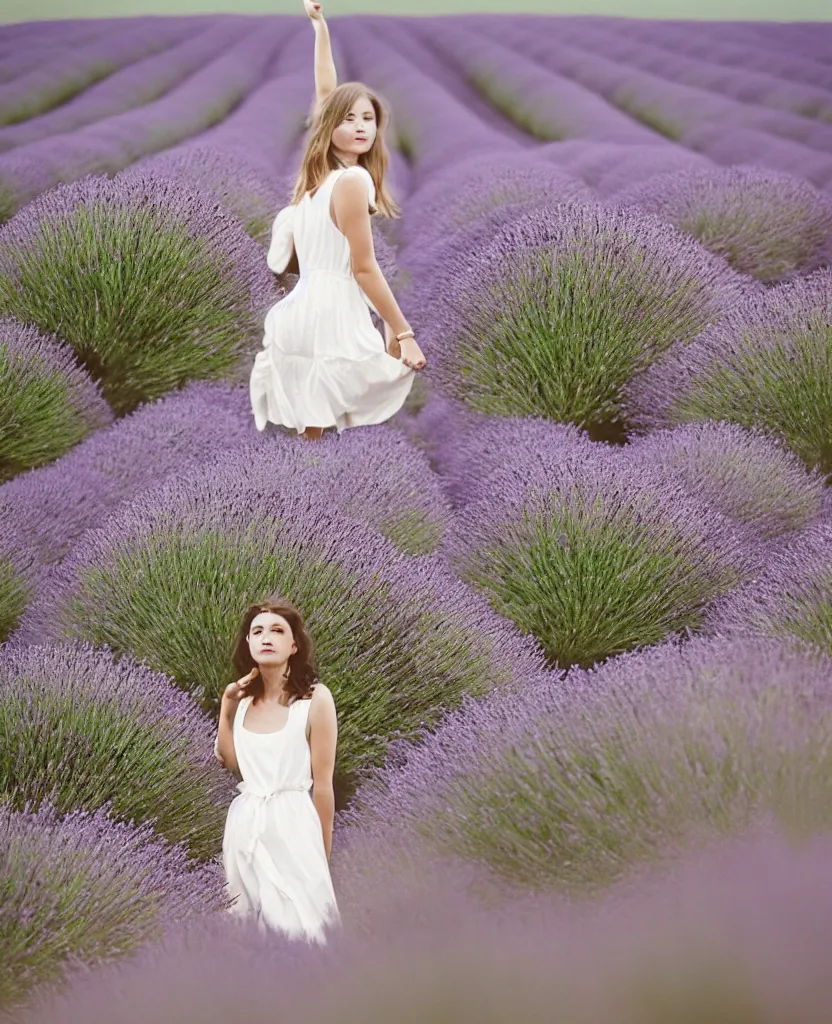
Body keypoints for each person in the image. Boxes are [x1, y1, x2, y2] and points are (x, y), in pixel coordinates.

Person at [249, 0, 427, 442]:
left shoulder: (312, 182)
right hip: (332, 314)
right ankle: (310, 499)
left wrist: (320, 28)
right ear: (330, 128)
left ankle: (300, 496)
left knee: (313, 428)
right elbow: (364, 268)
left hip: (301, 309)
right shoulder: (351, 181)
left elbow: (325, 89)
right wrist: (403, 331)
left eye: (368, 117)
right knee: (328, 422)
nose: (362, 126)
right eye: (350, 119)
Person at [215, 598, 340, 944]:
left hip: (294, 826)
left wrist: (322, 854)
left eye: (277, 630)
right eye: (257, 631)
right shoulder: (240, 702)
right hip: (245, 826)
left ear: (294, 644)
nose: (266, 637)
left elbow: (324, 786)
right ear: (248, 644)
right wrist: (225, 708)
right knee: (244, 931)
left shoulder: (316, 699)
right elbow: (232, 762)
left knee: (304, 928)